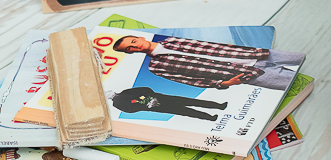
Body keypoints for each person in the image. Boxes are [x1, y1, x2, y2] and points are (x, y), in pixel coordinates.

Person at [111, 35, 304, 91]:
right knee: (298, 84)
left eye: (133, 41)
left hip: (255, 53)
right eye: (129, 48)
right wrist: (224, 83)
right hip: (247, 73)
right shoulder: (156, 67)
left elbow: (211, 43)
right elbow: (188, 80)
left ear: (139, 38)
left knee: (301, 56)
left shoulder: (173, 39)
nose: (135, 46)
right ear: (129, 53)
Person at [107, 86, 228, 121]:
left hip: (159, 102)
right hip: (158, 103)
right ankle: (214, 112)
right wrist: (149, 102)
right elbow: (130, 109)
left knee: (189, 107)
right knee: (189, 107)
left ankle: (216, 110)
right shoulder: (120, 100)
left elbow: (143, 90)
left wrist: (150, 100)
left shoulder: (122, 96)